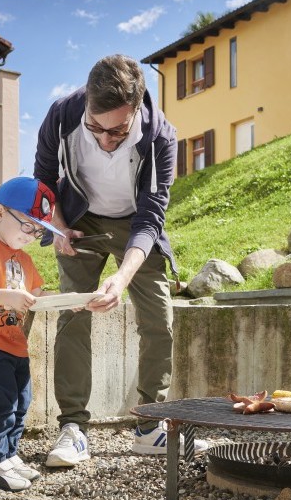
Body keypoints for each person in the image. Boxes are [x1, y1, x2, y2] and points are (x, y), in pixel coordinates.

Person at [34, 54, 206, 467]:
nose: (105, 139)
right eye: (96, 128)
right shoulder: (61, 116)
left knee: (159, 316)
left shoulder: (161, 137)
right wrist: (57, 225)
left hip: (136, 225)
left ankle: (150, 427)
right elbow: (43, 178)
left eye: (117, 131)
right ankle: (72, 428)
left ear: (138, 109)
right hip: (81, 219)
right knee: (74, 314)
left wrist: (123, 277)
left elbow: (151, 215)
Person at [0, 176, 65, 491]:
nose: (33, 235)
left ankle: (9, 455)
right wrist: (11, 297)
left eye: (39, 230)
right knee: (3, 403)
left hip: (15, 346)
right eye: (28, 225)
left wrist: (71, 301)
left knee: (21, 403)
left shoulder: (25, 259)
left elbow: (38, 294)